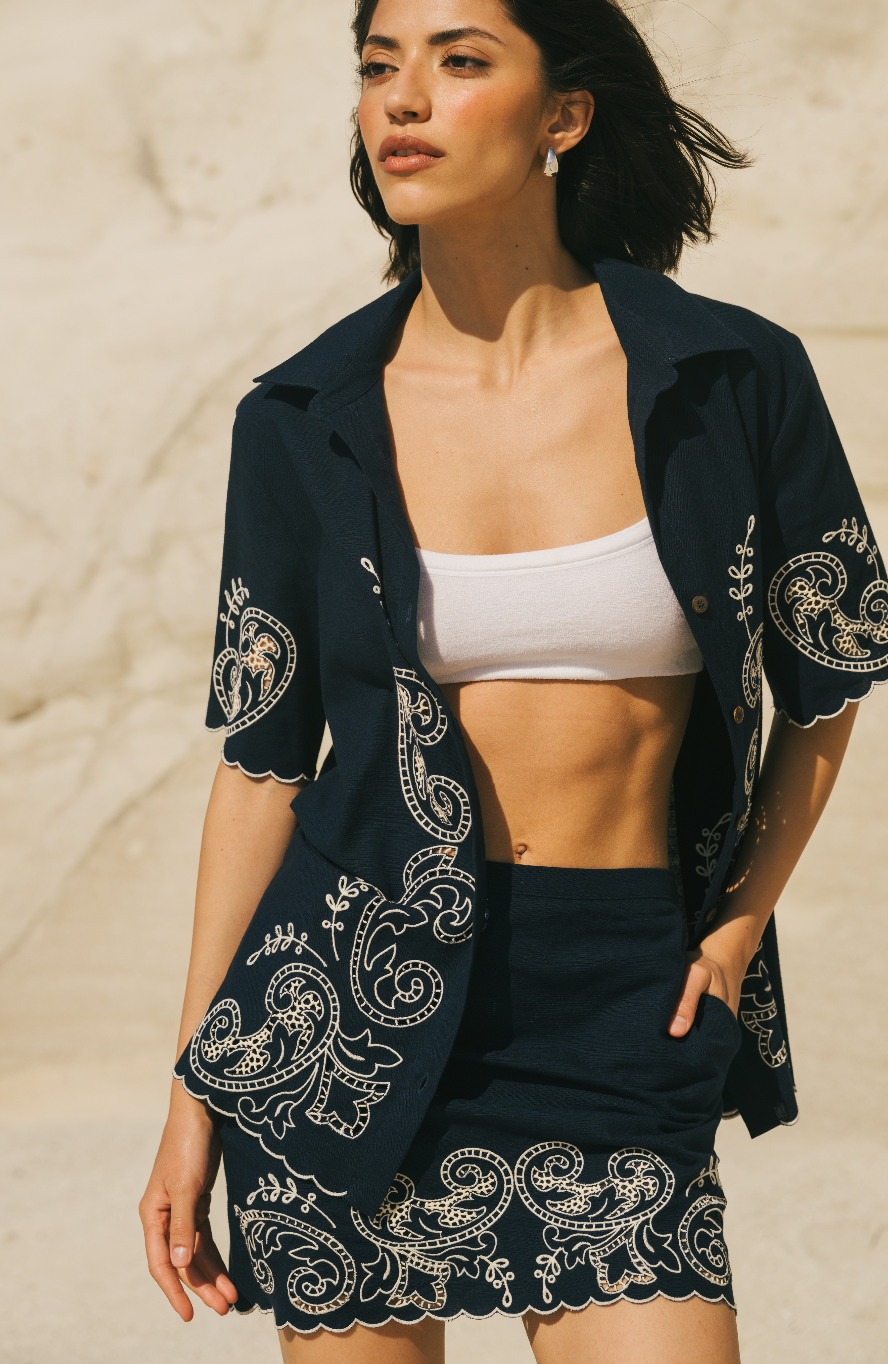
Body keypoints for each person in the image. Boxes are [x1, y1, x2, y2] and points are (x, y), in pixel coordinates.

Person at [139, 1, 887, 1359]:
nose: (403, 98)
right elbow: (261, 768)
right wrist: (196, 1093)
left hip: (621, 994)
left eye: (459, 59)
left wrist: (735, 924)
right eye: (378, 67)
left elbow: (829, 679)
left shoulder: (730, 380)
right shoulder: (303, 422)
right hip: (343, 1015)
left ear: (565, 115)